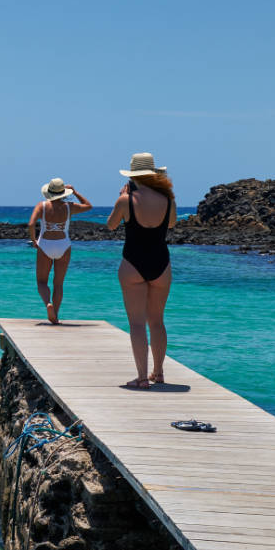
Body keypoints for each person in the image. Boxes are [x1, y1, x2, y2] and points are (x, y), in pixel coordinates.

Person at [107, 153, 174, 389]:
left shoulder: (126, 200)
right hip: (161, 263)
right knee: (157, 321)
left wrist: (122, 198)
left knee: (136, 323)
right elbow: (172, 223)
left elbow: (111, 225)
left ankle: (142, 377)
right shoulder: (167, 199)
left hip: (132, 263)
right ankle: (159, 372)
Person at [28, 178, 94, 324]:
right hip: (63, 245)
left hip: (45, 244)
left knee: (41, 282)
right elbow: (89, 206)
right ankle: (55, 315)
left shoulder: (42, 206)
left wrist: (33, 240)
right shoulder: (69, 207)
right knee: (58, 283)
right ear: (63, 192)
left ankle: (48, 304)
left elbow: (31, 223)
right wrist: (75, 192)